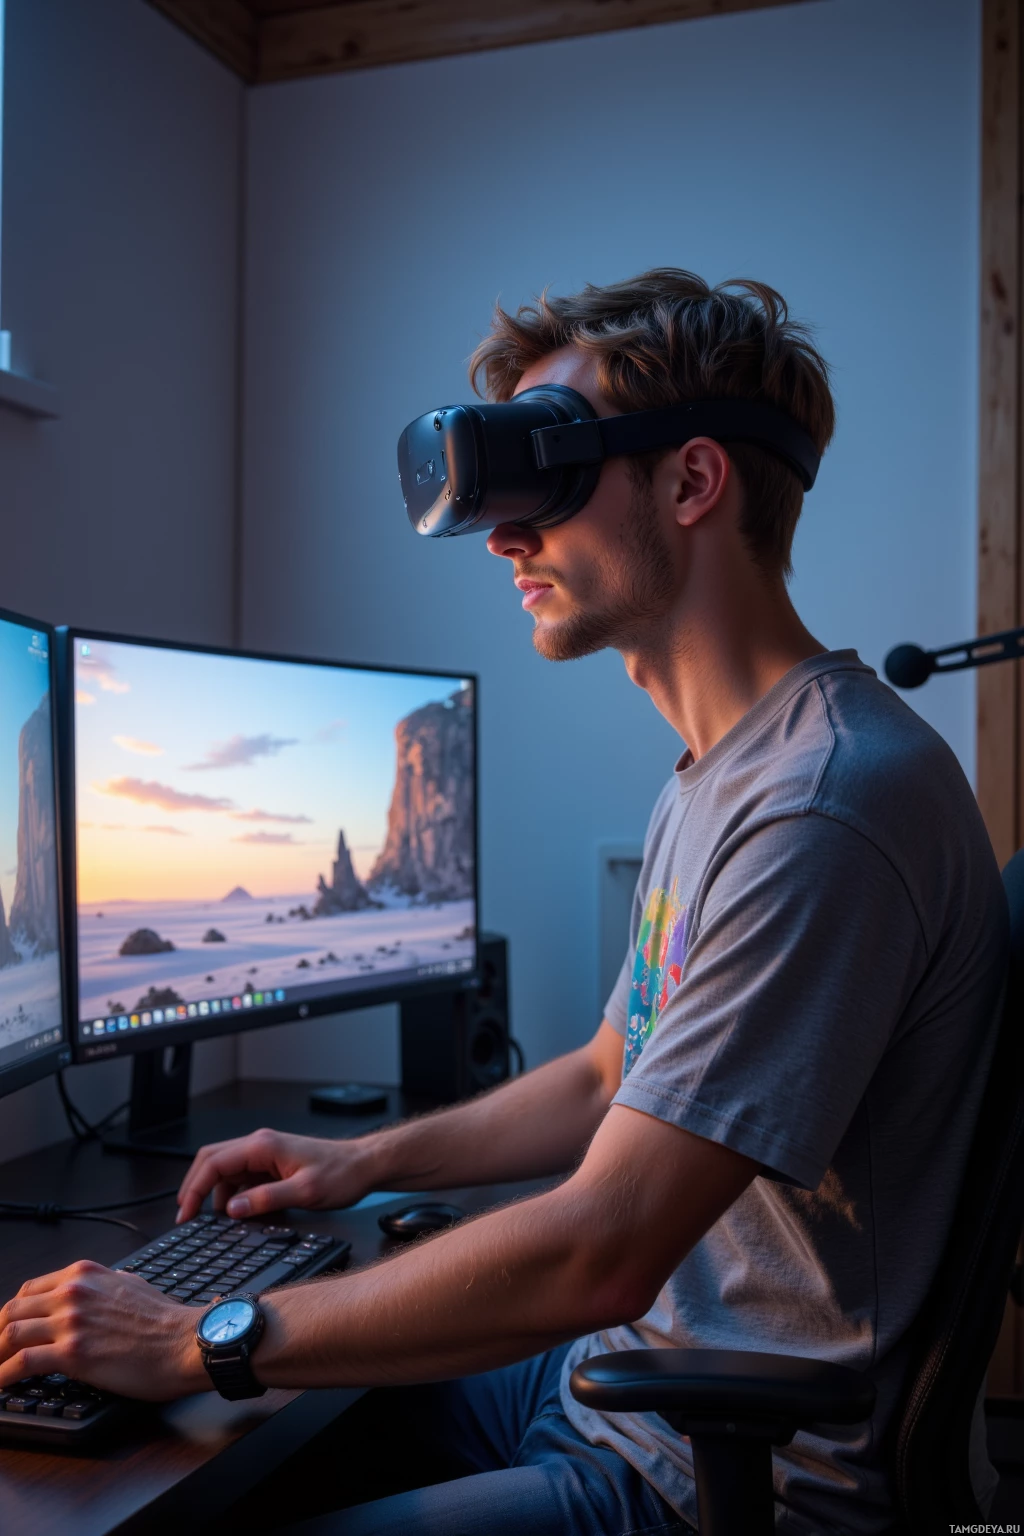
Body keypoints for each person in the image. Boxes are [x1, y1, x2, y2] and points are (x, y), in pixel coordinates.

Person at [0, 271, 1008, 1535]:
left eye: (545, 475)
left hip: (727, 1476)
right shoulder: (726, 770)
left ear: (693, 482)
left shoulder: (821, 806)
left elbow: (602, 1249)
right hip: (619, 1383)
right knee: (225, 1465)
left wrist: (197, 1337)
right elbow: (604, 1075)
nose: (502, 539)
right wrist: (356, 1163)